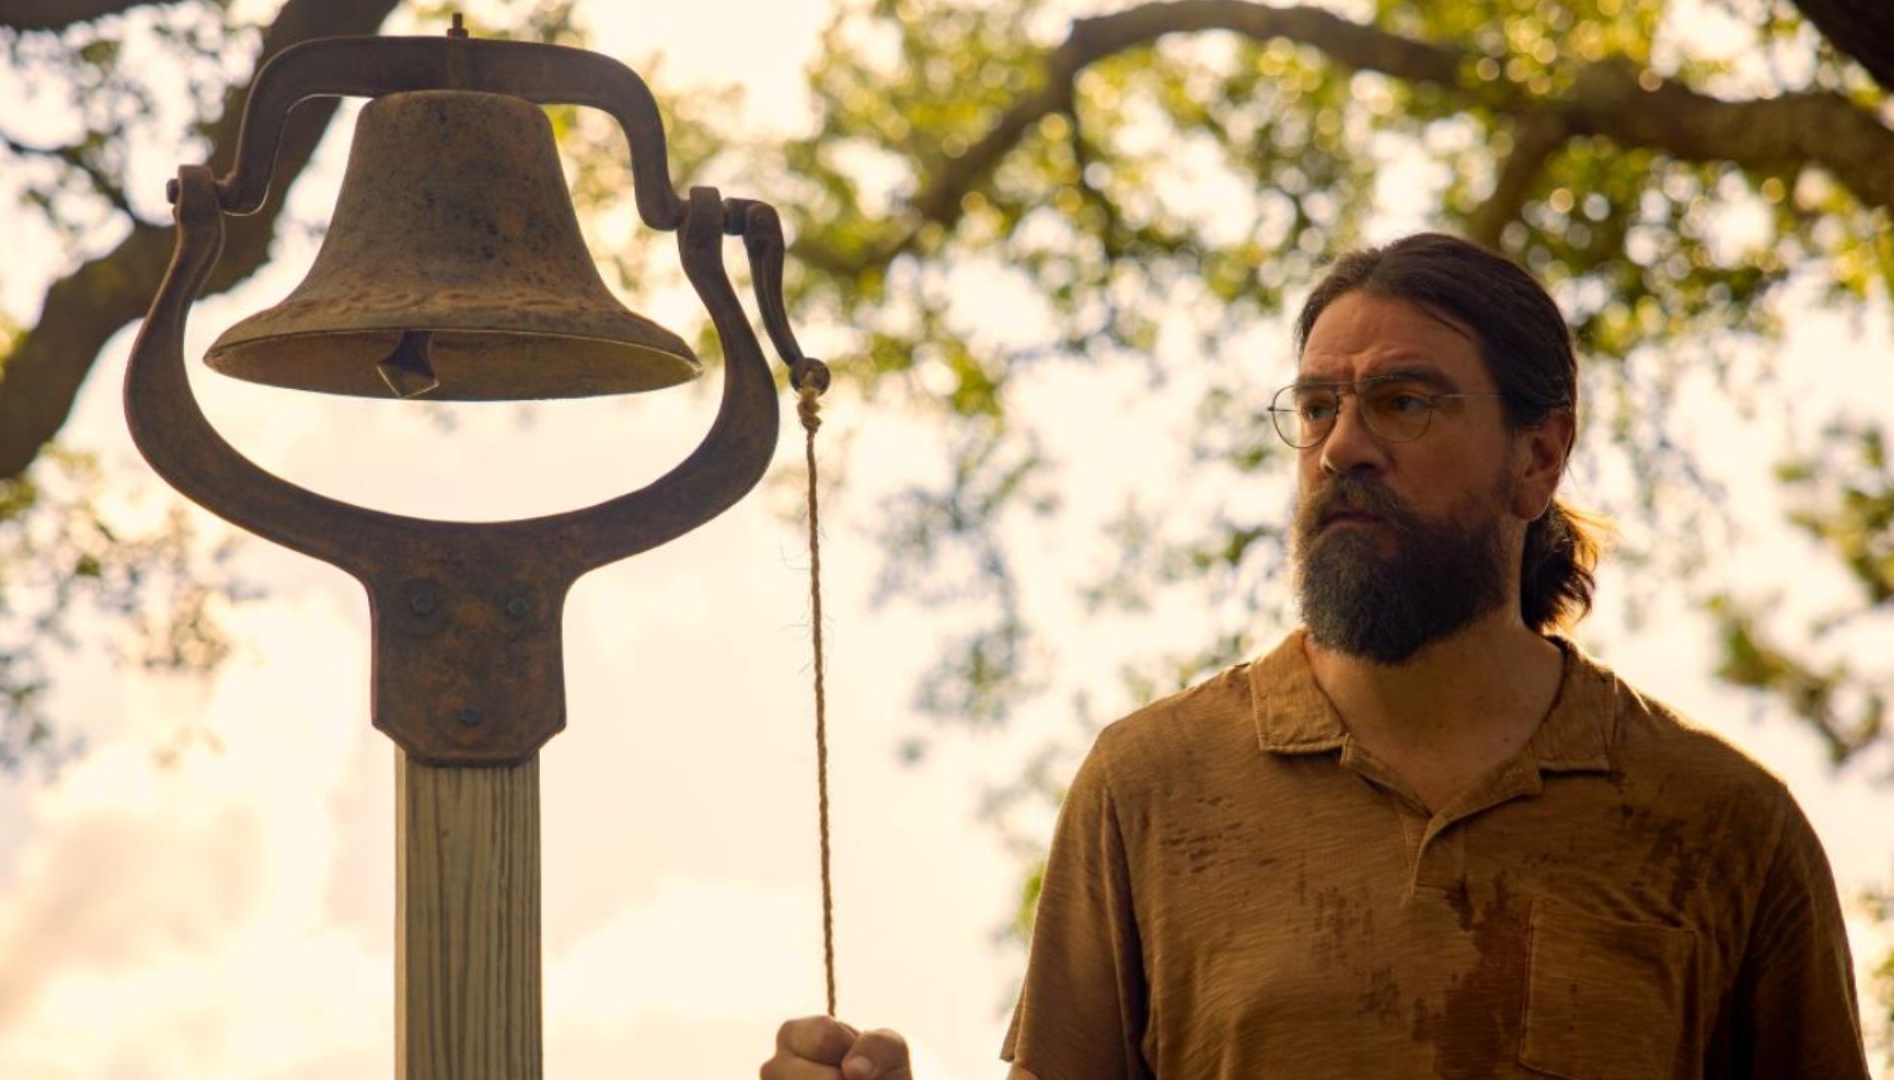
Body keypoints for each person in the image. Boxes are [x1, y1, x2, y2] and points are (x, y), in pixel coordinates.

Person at [761, 233, 1872, 1080]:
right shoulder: (1150, 788)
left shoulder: (1725, 827)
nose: (1344, 446)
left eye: (1403, 401)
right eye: (1317, 405)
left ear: (1539, 458)